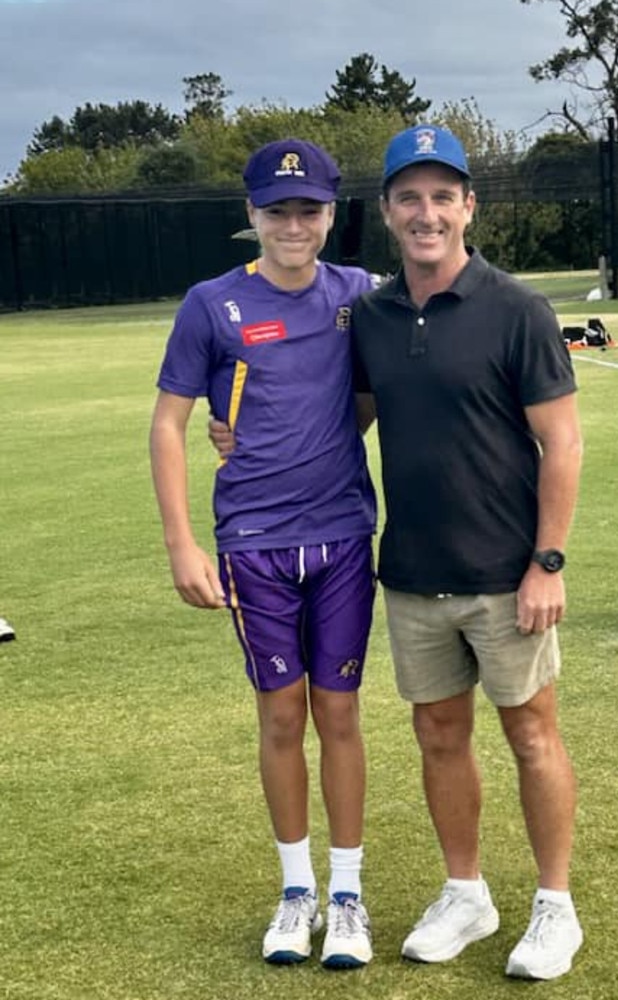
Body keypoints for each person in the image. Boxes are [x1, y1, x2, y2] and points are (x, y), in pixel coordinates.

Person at [349, 124, 584, 981]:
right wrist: (246, 431)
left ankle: (555, 908)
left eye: (442, 196)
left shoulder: (517, 308)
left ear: (467, 207)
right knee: (439, 735)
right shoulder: (370, 315)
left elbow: (561, 444)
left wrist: (546, 563)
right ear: (386, 211)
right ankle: (467, 893)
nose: (426, 213)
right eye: (409, 197)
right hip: (411, 572)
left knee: (531, 736)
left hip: (507, 575)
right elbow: (354, 420)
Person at [149, 138, 377, 969]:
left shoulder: (360, 294)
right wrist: (182, 544)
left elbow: (367, 394)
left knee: (340, 713)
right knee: (282, 714)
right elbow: (169, 425)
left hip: (346, 535)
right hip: (253, 542)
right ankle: (296, 891)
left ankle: (347, 897)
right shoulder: (211, 304)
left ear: (330, 216)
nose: (293, 224)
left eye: (309, 210)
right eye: (277, 210)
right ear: (250, 216)